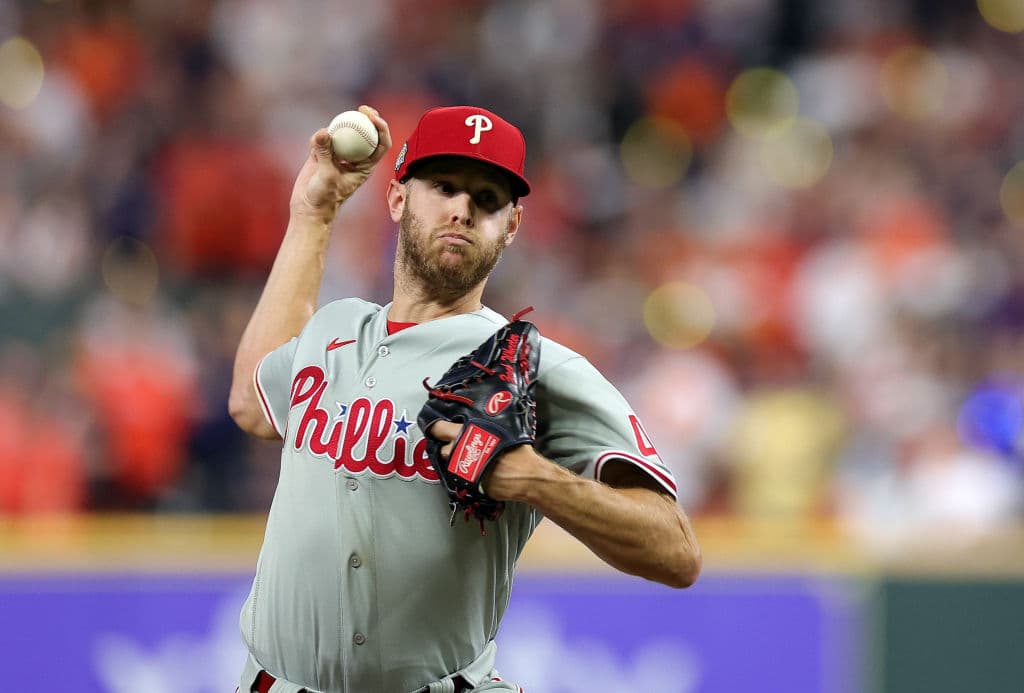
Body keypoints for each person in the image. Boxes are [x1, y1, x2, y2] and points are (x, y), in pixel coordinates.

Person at [228, 104, 702, 693]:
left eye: (487, 197)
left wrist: (537, 480)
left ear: (512, 225)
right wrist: (314, 213)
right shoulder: (334, 328)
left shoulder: (532, 366)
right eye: (444, 185)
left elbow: (677, 551)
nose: (462, 208)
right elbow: (252, 403)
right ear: (398, 199)